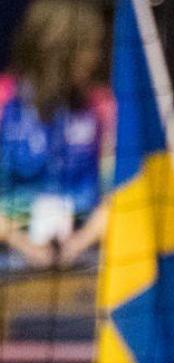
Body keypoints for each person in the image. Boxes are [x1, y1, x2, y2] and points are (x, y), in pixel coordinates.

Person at [0, 0, 114, 271]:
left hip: (83, 256)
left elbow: (117, 199)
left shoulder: (102, 108)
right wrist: (22, 244)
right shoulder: (4, 101)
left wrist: (78, 244)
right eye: (88, 47)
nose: (95, 57)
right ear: (59, 48)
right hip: (9, 253)